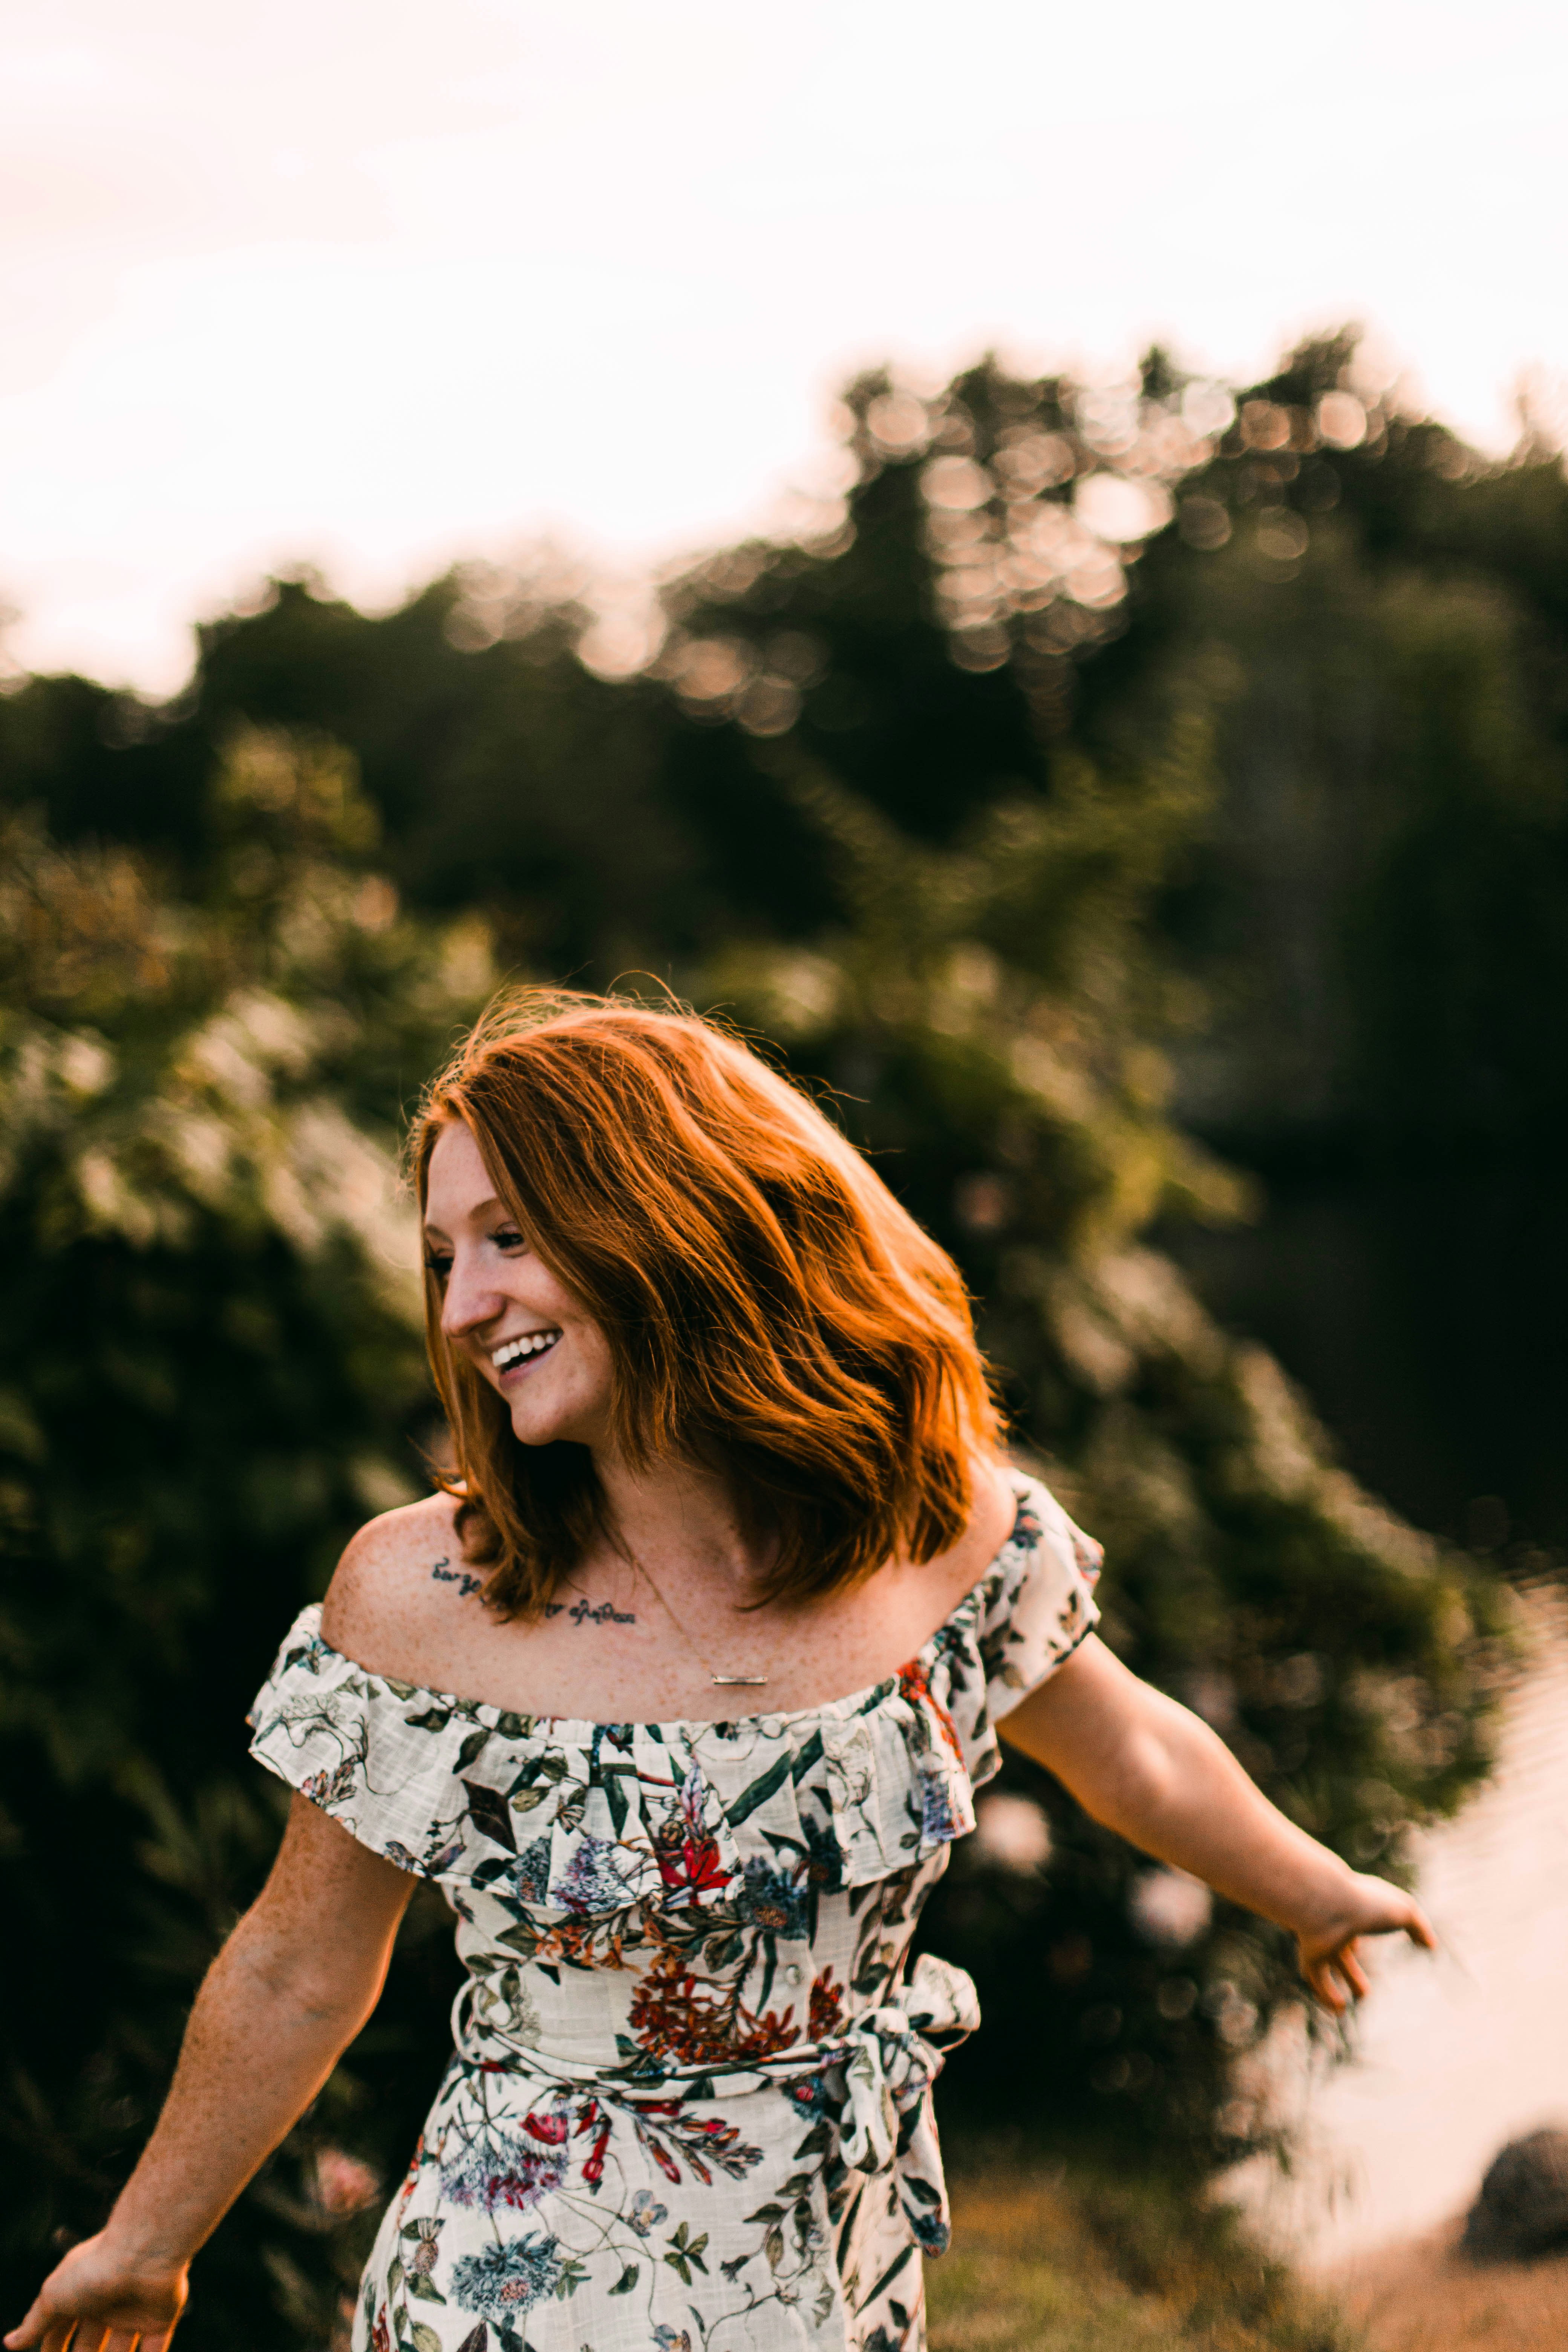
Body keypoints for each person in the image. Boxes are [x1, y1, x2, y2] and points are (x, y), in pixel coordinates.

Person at [7, 992, 1434, 2352]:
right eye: (444, 1256)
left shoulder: (945, 1530)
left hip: (839, 2268)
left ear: (672, 1218)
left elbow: (1133, 1752)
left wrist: (1313, 1891)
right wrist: (145, 2242)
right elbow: (296, 1967)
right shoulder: (424, 1593)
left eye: (508, 1238)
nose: (460, 1306)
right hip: (531, 2291)